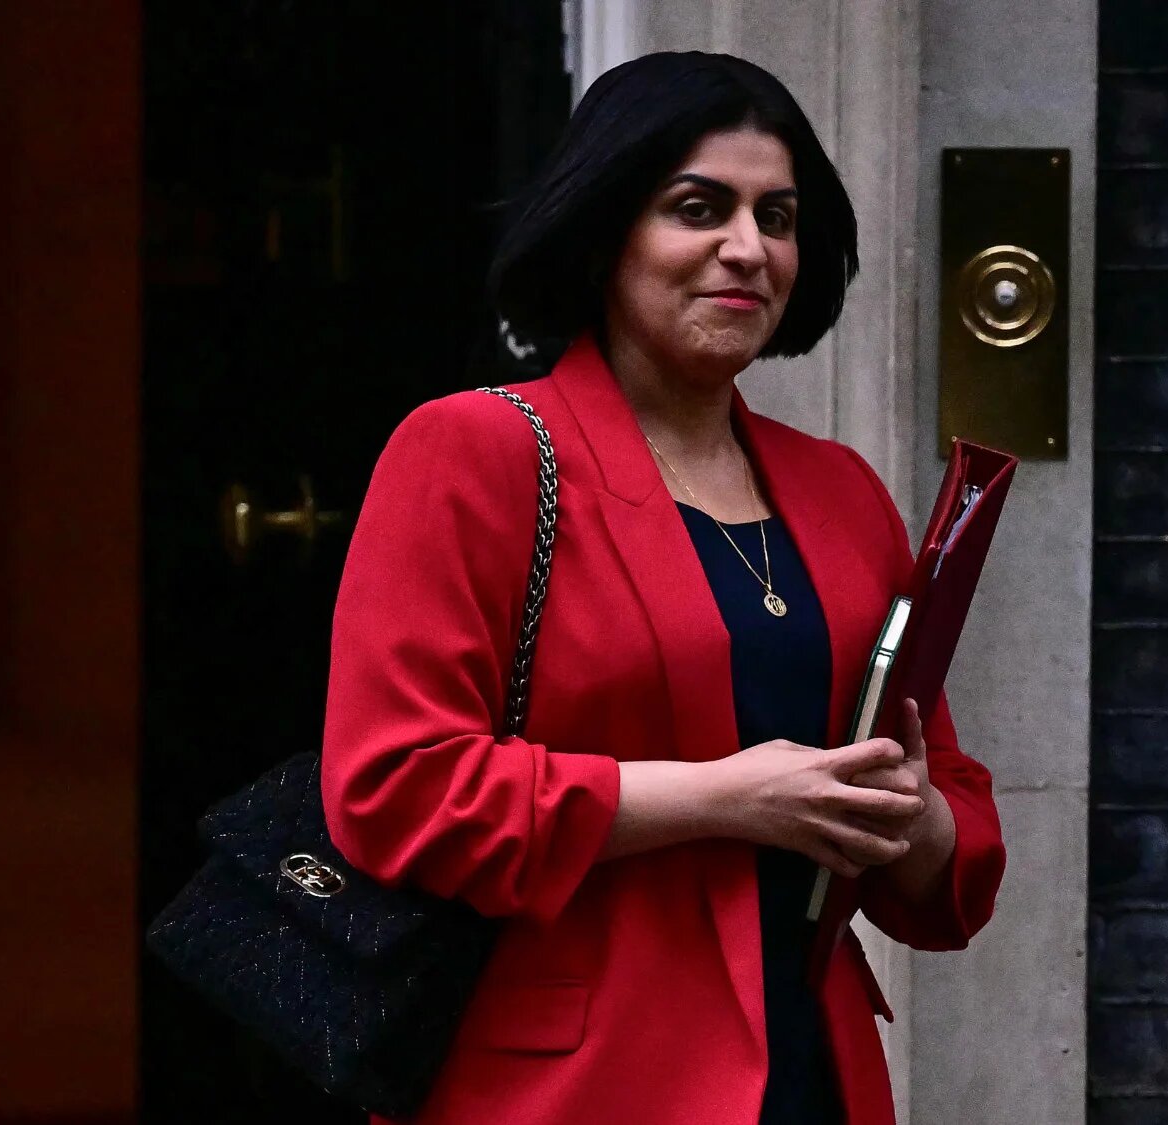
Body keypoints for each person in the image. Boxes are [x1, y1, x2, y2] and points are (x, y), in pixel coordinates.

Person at [317, 53, 1005, 1125]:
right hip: (567, 1083)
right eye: (697, 208)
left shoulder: (840, 492)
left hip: (808, 1068)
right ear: (604, 230)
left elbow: (947, 814)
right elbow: (394, 792)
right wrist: (727, 798)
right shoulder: (473, 451)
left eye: (775, 216)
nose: (746, 248)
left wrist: (907, 819)